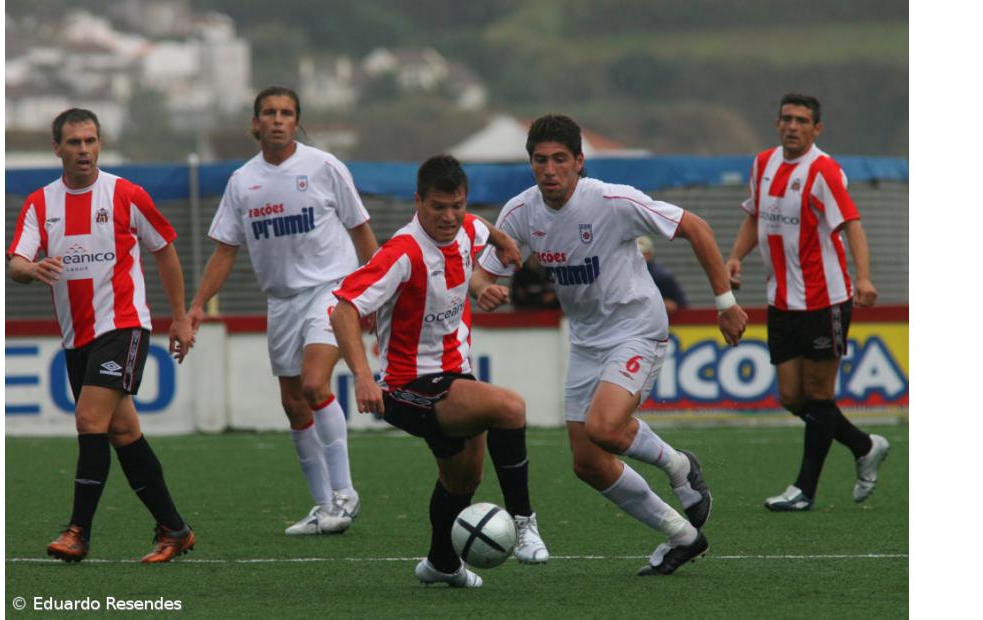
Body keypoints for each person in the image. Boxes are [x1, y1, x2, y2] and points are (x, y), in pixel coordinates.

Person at [472, 114, 748, 577]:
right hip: (586, 340)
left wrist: (725, 303)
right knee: (588, 463)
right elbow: (484, 271)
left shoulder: (612, 201)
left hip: (637, 327)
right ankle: (682, 536)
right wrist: (482, 287)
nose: (550, 169)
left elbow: (696, 227)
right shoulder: (520, 213)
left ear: (579, 163)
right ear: (531, 165)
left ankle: (679, 465)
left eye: (560, 159)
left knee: (603, 428)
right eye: (540, 160)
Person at [330, 155, 549, 588]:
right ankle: (525, 524)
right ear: (418, 202)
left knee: (463, 479)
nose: (449, 217)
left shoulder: (466, 228)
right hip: (406, 388)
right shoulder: (403, 252)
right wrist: (360, 374)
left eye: (457, 205)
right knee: (508, 407)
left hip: (454, 376)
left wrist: (499, 248)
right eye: (437, 207)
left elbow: (480, 227)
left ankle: (441, 563)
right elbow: (344, 309)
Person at [7, 108, 196, 563]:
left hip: (124, 325)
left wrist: (180, 318)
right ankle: (175, 529)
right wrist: (30, 269)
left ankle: (78, 532)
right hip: (77, 338)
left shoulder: (125, 194)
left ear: (100, 144)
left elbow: (165, 251)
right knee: (122, 430)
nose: (84, 150)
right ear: (57, 148)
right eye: (74, 143)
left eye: (90, 141)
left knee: (90, 420)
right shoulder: (39, 203)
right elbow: (15, 263)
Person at [187, 86, 377, 535]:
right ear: (255, 124)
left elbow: (362, 231)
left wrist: (373, 294)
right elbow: (224, 252)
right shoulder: (241, 182)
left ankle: (346, 494)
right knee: (294, 406)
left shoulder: (325, 167)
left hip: (332, 290)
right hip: (282, 301)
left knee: (314, 383)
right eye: (269, 113)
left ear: (297, 122)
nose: (277, 120)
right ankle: (323, 506)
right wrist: (196, 305)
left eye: (286, 113)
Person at [725, 93, 890, 512]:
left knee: (818, 392)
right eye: (786, 119)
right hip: (780, 299)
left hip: (825, 299)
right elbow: (755, 216)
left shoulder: (823, 171)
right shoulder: (763, 164)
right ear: (777, 123)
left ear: (817, 129)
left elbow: (851, 225)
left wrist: (864, 277)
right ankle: (864, 444)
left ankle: (804, 490)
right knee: (790, 395)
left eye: (802, 120)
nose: (793, 126)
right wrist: (734, 257)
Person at [637, 235, 688, 315]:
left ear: (650, 254)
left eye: (643, 253)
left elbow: (682, 305)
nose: (640, 257)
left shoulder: (662, 276)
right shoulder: (626, 275)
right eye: (638, 254)